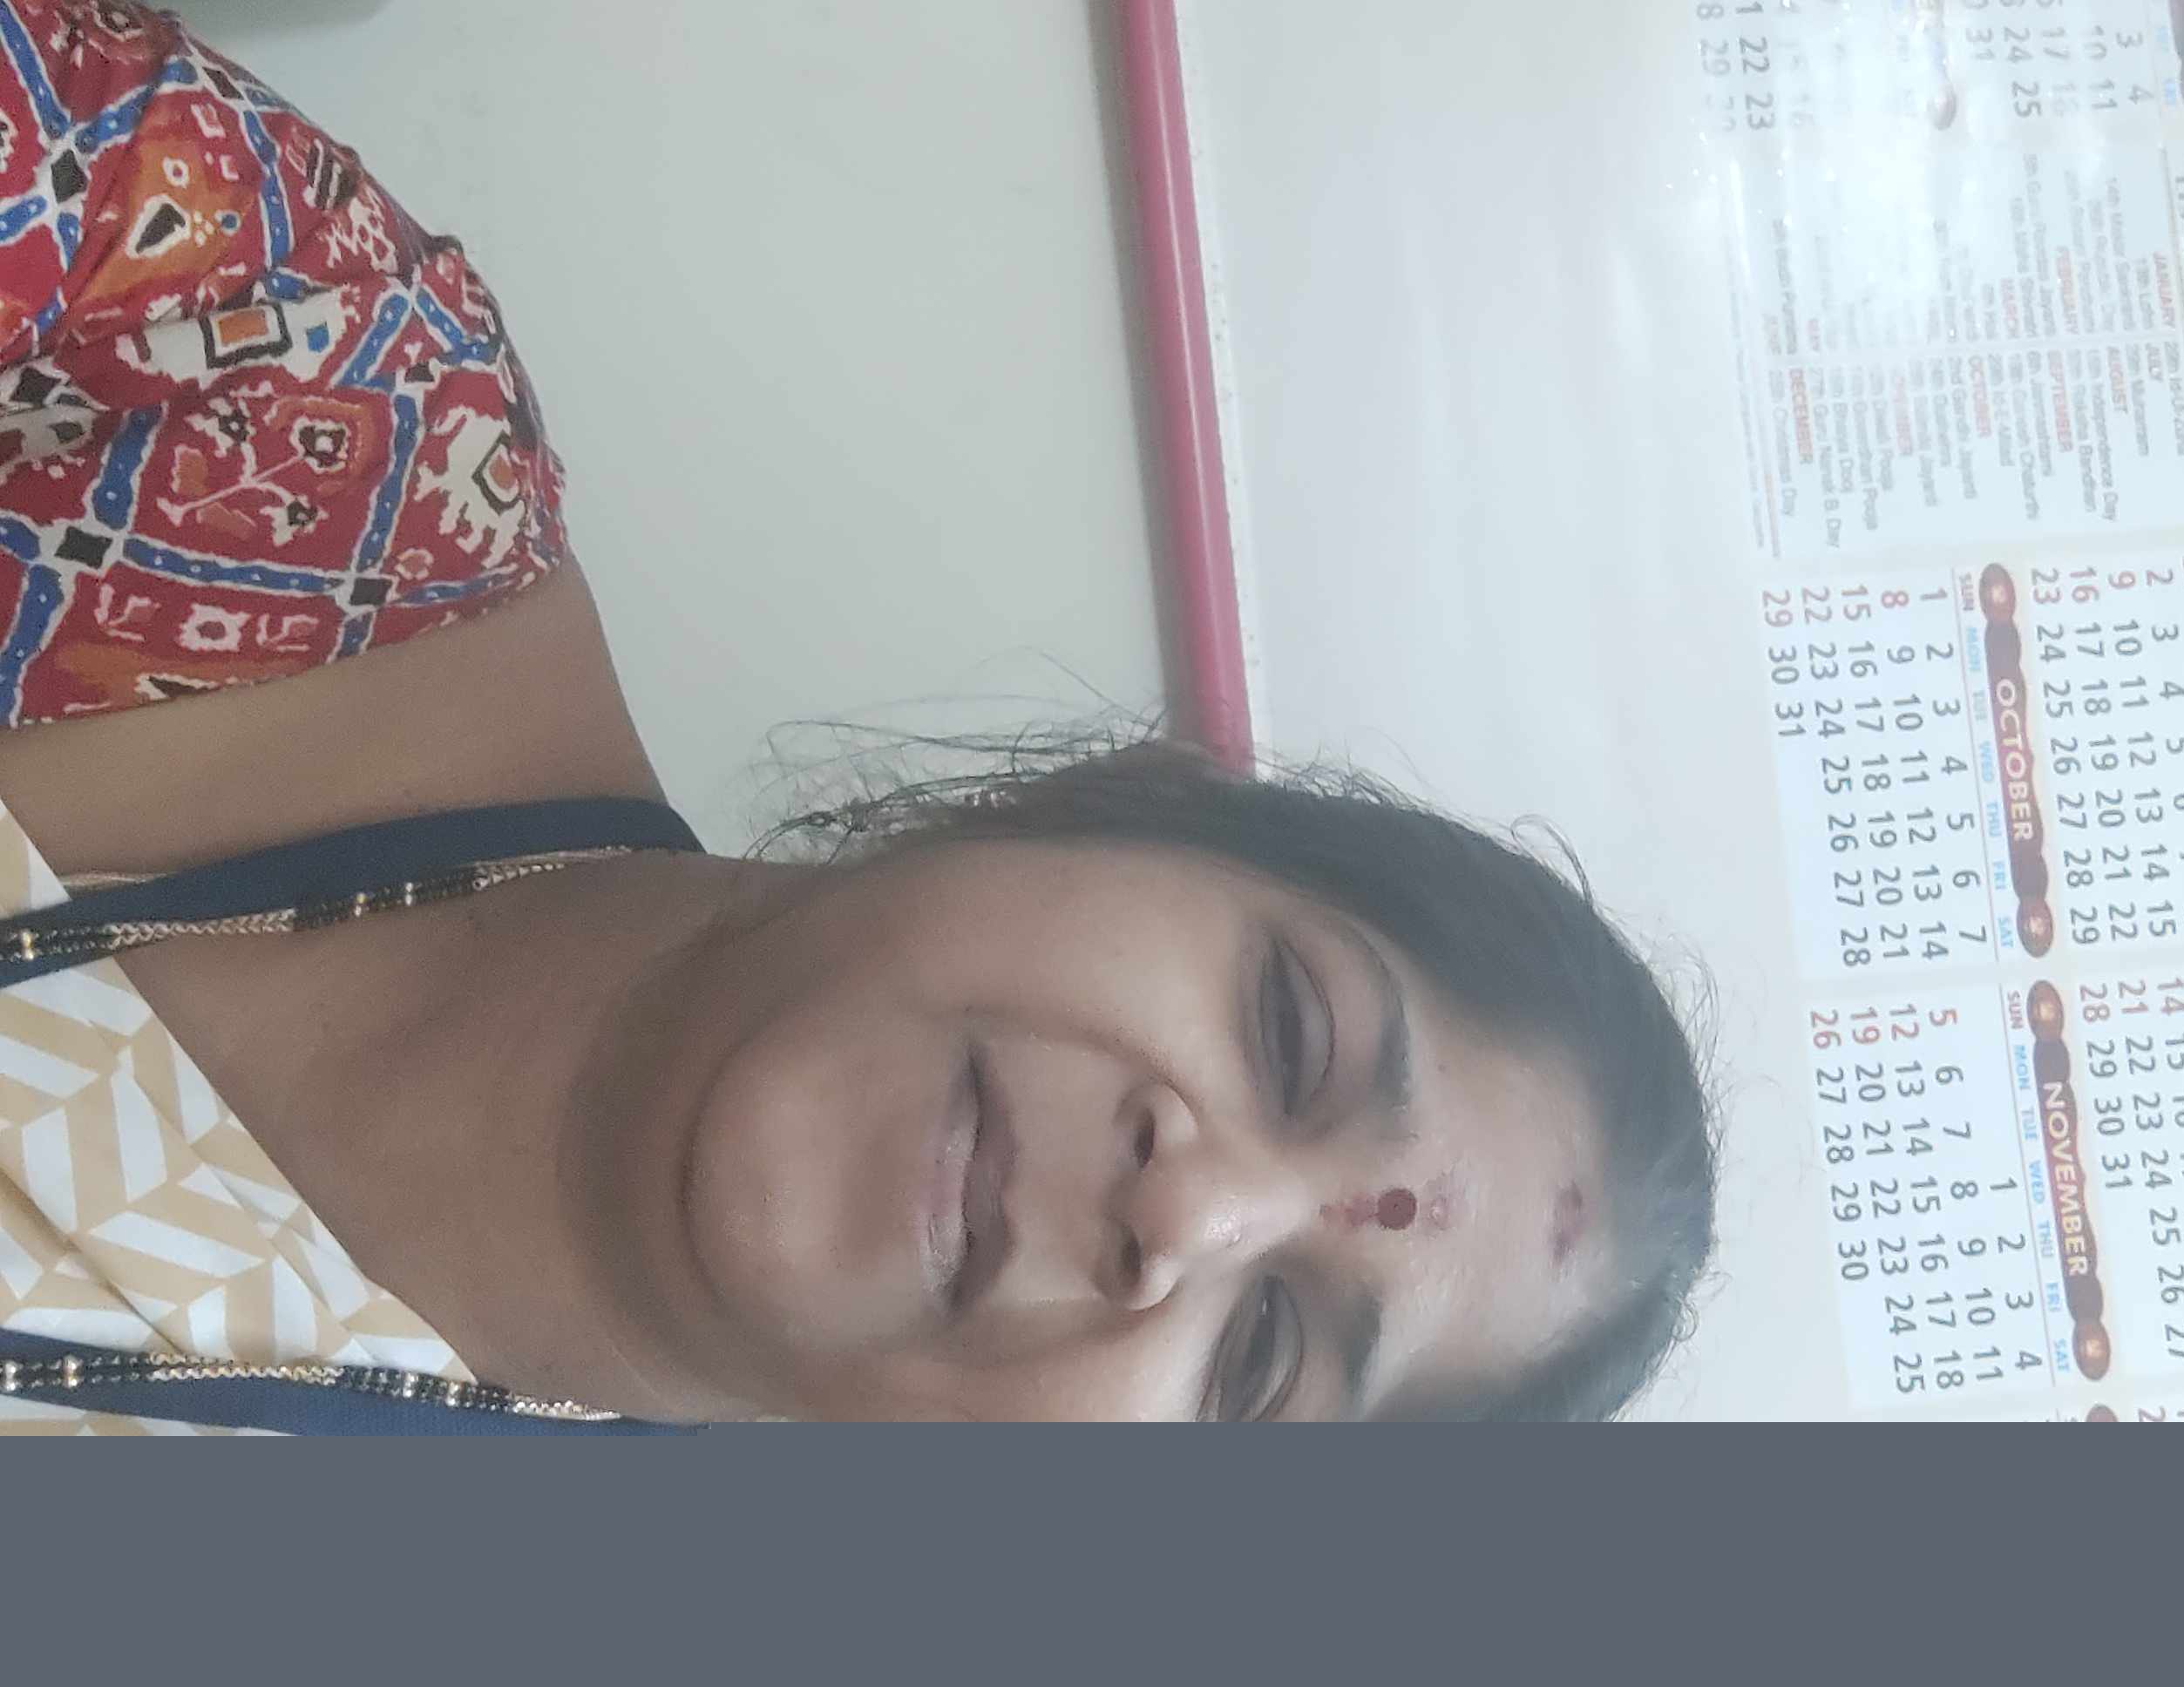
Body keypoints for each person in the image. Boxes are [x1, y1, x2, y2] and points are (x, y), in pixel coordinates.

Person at [0, 0, 1717, 1430]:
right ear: (1111, 803)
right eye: (1288, 1029)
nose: (1189, 1210)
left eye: (1261, 1358)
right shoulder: (307, 394)